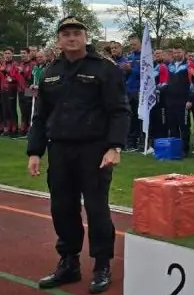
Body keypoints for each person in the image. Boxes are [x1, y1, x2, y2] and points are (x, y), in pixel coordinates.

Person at [26, 16, 131, 293]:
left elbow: (119, 111)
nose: (71, 38)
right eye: (66, 34)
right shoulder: (50, 72)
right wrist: (35, 152)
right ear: (58, 40)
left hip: (94, 150)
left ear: (85, 36)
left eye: (76, 33)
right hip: (60, 149)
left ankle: (102, 265)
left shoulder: (104, 69)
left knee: (97, 208)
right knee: (62, 208)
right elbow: (40, 116)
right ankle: (69, 262)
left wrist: (115, 147)